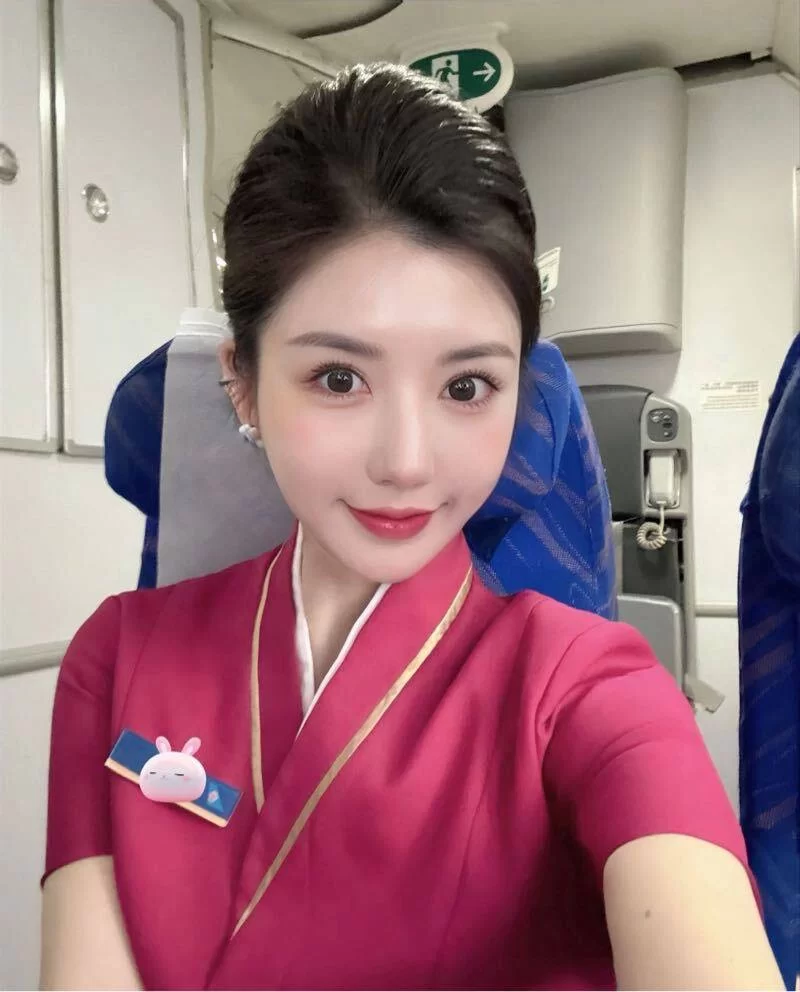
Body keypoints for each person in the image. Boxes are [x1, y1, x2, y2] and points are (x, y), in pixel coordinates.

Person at [40, 63, 782, 991]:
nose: (406, 461)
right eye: (338, 379)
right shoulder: (117, 657)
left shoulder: (588, 688)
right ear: (243, 383)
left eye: (467, 386)